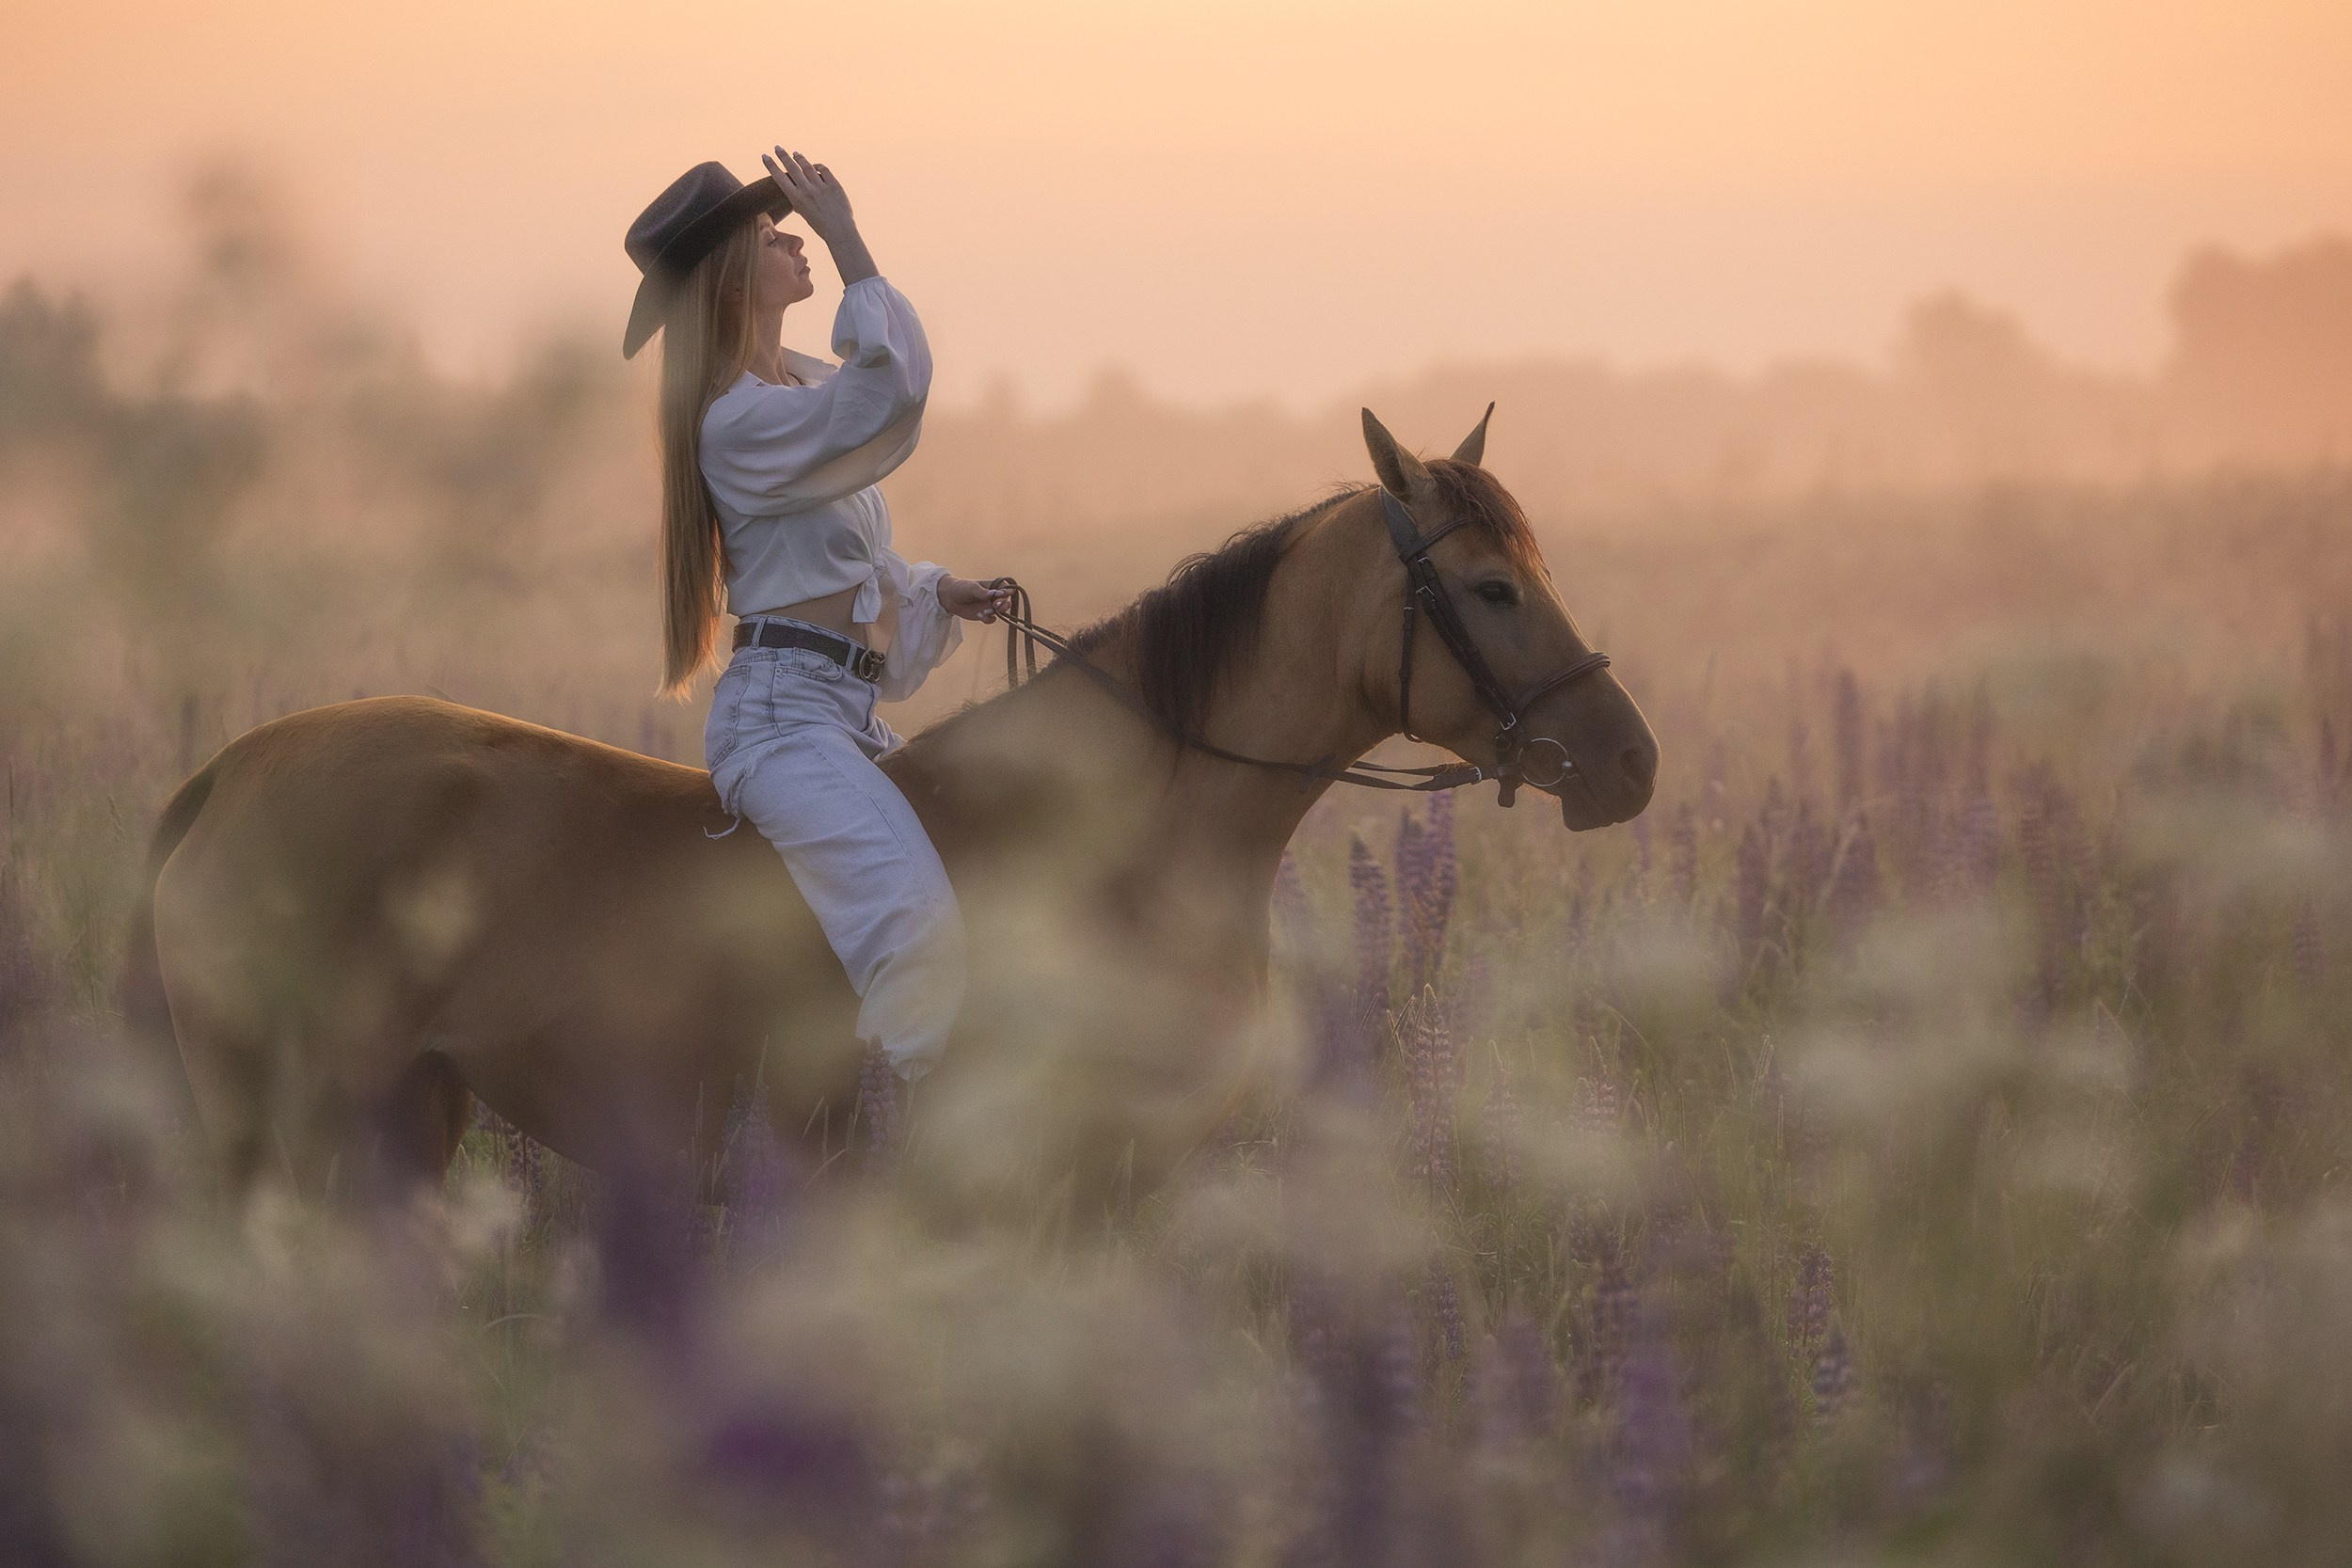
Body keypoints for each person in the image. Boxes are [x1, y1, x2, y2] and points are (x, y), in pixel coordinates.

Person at [622, 148, 1005, 1080]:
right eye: (769, 233)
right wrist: (849, 238)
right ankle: (894, 1169)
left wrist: (929, 589)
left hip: (835, 710)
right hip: (785, 724)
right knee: (919, 933)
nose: (794, 236)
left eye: (793, 226)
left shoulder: (789, 390)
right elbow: (888, 393)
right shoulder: (737, 419)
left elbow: (838, 554)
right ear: (728, 280)